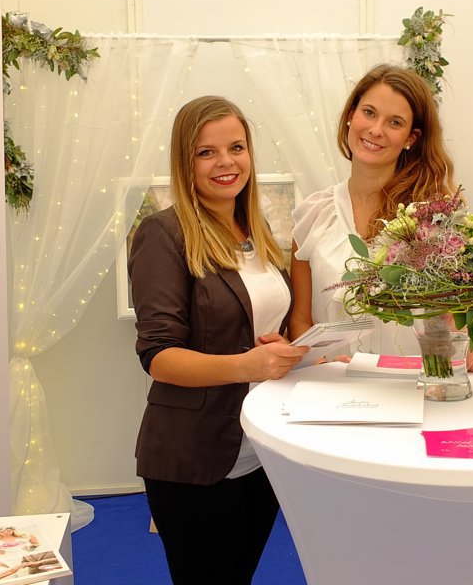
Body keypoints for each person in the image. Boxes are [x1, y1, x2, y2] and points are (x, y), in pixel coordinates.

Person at [128, 95, 308, 584]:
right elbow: (158, 356)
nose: (226, 162)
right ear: (184, 161)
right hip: (194, 456)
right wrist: (247, 365)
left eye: (236, 147)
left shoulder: (255, 229)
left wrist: (290, 348)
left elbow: (254, 325)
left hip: (259, 448)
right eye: (206, 152)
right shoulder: (163, 234)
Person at [290, 64, 473, 371]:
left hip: (414, 386)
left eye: (395, 122)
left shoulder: (436, 221)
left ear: (411, 138)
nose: (376, 130)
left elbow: (450, 322)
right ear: (351, 116)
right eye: (369, 113)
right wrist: (323, 365)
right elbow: (300, 319)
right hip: (334, 390)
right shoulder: (313, 215)